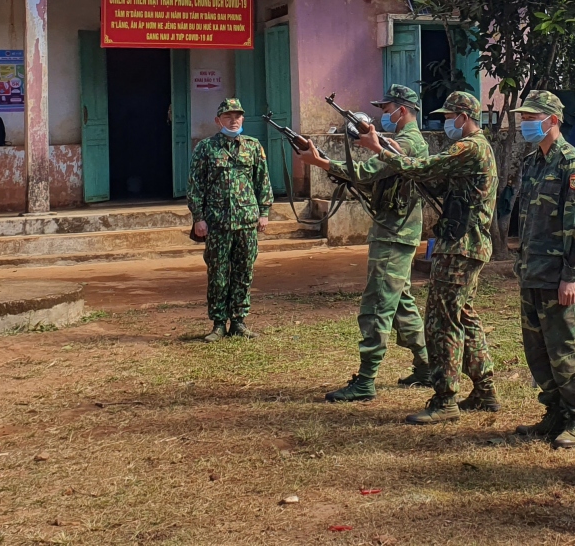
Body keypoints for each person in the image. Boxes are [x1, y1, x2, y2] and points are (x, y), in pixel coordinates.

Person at [358, 90, 498, 424]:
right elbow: (434, 182)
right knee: (464, 316)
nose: (447, 123)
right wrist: (394, 152)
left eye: (450, 117)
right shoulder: (477, 150)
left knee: (442, 322)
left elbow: (424, 166)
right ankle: (485, 389)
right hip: (469, 245)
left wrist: (381, 151)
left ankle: (445, 399)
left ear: (464, 118)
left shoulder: (470, 147)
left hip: (460, 246)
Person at [300, 84, 432, 402]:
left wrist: (321, 163)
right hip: (396, 230)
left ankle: (366, 381)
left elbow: (365, 173)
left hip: (393, 233)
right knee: (401, 303)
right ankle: (428, 367)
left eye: (387, 110)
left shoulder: (407, 143)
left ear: (403, 110)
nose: (383, 115)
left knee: (376, 306)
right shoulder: (402, 141)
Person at [507, 90, 575, 449]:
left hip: (559, 276)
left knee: (567, 348)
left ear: (552, 120)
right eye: (524, 118)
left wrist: (571, 274)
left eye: (531, 118)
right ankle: (553, 412)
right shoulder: (532, 163)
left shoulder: (571, 164)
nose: (525, 124)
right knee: (539, 351)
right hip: (532, 271)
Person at [189, 97, 273, 343]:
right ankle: (218, 323)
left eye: (237, 116)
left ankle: (238, 321)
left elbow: (262, 181)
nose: (233, 120)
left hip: (247, 221)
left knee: (244, 272)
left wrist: (264, 212)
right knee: (217, 273)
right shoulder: (206, 148)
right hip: (217, 222)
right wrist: (199, 218)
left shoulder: (253, 146)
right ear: (218, 121)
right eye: (228, 117)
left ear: (243, 119)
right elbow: (196, 185)